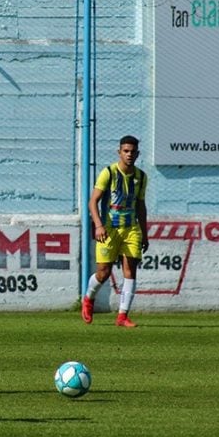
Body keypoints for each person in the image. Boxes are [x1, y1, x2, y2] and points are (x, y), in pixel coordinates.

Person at [82, 135, 149, 327]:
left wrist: (144, 232)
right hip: (109, 228)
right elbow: (92, 201)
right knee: (103, 273)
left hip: (131, 229)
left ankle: (122, 316)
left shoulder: (141, 177)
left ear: (138, 154)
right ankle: (88, 298)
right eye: (125, 151)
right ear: (119, 152)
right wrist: (99, 225)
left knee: (130, 270)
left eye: (132, 151)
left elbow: (141, 206)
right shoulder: (108, 173)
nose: (129, 155)